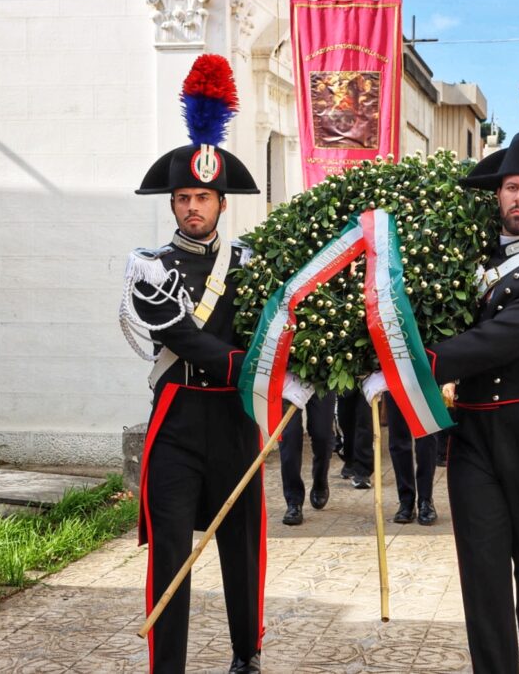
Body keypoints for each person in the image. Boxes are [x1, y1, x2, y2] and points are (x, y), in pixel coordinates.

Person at [366, 42, 519, 671]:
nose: (518, 197)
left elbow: (494, 341)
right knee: (483, 575)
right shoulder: (470, 269)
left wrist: (408, 363)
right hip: (472, 440)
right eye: (511, 186)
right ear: (497, 194)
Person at [122, 55, 310, 674]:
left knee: (243, 543)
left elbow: (277, 326)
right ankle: (166, 665)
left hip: (235, 422)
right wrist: (257, 367)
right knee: (170, 552)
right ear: (172, 203)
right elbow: (183, 337)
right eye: (183, 198)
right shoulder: (149, 267)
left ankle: (246, 655)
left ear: (221, 203)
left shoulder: (253, 264)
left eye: (202, 197)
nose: (192, 207)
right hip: (176, 422)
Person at [280, 392, 337, 525]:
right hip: (288, 379)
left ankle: (320, 480)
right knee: (289, 436)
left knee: (322, 435)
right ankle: (293, 501)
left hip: (322, 381)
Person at [383, 393, 439, 525]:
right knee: (398, 439)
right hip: (394, 378)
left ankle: (426, 499)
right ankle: (406, 500)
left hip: (426, 377)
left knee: (427, 438)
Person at [335, 389, 374, 489]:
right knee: (344, 418)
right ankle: (350, 459)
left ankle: (363, 471)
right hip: (344, 379)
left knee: (364, 419)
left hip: (367, 377)